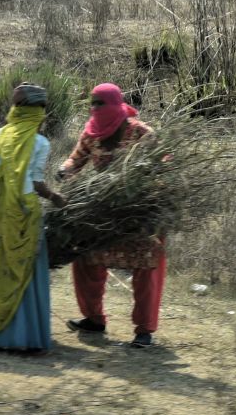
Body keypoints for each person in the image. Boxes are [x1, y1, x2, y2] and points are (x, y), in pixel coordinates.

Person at [57, 82, 166, 348]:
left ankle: (144, 330)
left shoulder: (141, 132)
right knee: (85, 257)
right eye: (92, 103)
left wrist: (145, 184)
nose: (95, 108)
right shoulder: (91, 133)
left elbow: (164, 164)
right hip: (104, 210)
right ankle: (94, 318)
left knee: (146, 264)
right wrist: (65, 169)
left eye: (100, 103)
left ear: (116, 105)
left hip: (139, 213)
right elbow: (77, 159)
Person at [0, 83, 66, 353]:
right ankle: (25, 337)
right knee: (22, 271)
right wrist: (55, 197)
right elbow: (35, 183)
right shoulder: (40, 142)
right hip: (23, 216)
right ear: (39, 111)